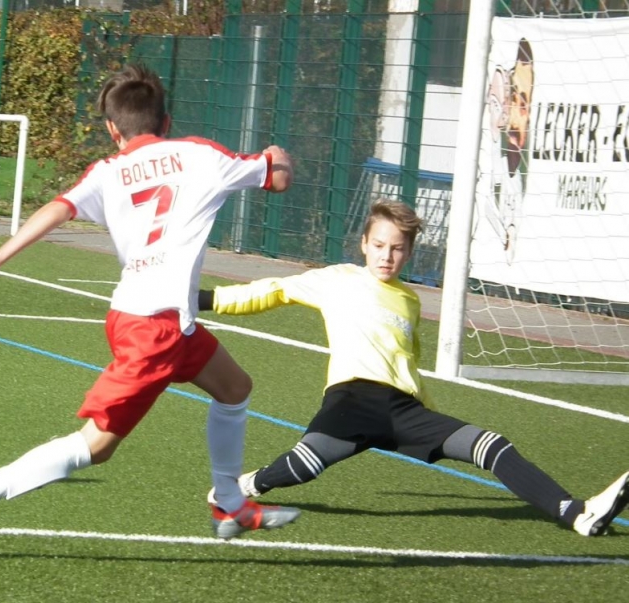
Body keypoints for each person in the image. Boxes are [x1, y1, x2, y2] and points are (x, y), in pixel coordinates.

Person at [0, 63, 300, 555]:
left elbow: (58, 208)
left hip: (148, 318)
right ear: (166, 121)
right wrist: (279, 156)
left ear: (112, 129)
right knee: (96, 446)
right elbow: (276, 177)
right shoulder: (201, 155)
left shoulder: (107, 171)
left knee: (234, 387)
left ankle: (230, 503)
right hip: (156, 328)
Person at [197, 199, 629, 537]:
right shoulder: (338, 279)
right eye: (379, 245)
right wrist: (203, 300)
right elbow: (272, 290)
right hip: (353, 400)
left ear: (408, 252)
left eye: (397, 248)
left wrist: (429, 416)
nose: (387, 256)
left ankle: (577, 513)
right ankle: (243, 487)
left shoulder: (409, 300)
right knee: (303, 467)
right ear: (364, 243)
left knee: (491, 445)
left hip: (404, 410)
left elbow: (407, 363)